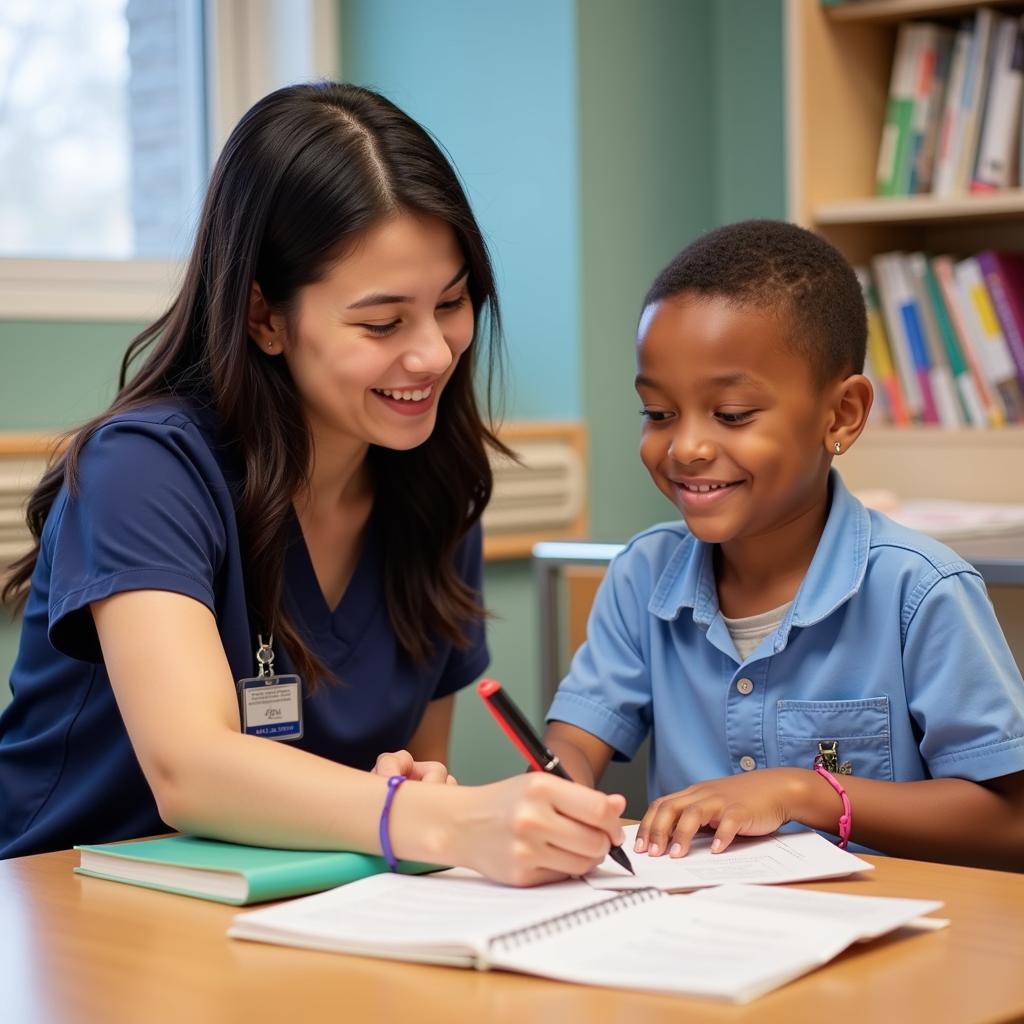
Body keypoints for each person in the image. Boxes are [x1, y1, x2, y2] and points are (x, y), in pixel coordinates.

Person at [0, 82, 625, 884]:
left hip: (298, 921)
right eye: (382, 322)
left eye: (454, 303)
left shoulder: (435, 487)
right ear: (265, 316)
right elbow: (190, 771)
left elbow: (406, 781)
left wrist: (419, 792)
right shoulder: (143, 471)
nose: (434, 353)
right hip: (68, 916)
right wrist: (448, 817)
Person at [543, 219, 1024, 872]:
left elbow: (1009, 824)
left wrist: (808, 790)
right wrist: (553, 793)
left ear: (841, 415)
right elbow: (571, 747)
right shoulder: (641, 576)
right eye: (659, 414)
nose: (685, 448)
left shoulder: (922, 591)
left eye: (732, 414)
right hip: (698, 936)